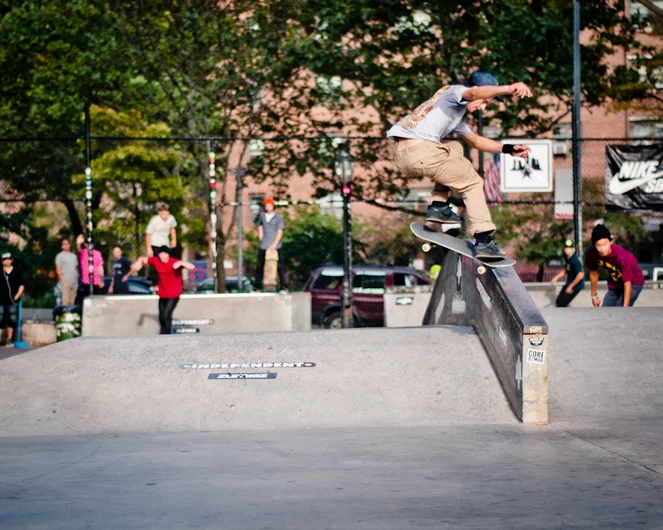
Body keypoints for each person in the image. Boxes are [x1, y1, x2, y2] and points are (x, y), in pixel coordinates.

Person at [387, 71, 533, 258]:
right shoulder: (456, 91)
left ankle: (439, 206)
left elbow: (476, 141)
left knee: (455, 147)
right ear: (477, 89)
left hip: (404, 155)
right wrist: (507, 89)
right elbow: (472, 94)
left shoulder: (449, 109)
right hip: (423, 149)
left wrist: (509, 149)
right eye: (485, 102)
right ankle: (484, 241)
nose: (483, 108)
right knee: (473, 183)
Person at [128, 246, 194, 334]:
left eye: (165, 254)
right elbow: (142, 258)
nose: (163, 257)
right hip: (162, 293)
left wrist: (181, 263)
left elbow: (192, 267)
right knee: (161, 317)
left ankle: (167, 335)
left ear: (168, 255)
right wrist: (138, 263)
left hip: (174, 294)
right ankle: (163, 335)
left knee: (167, 315)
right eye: (161, 254)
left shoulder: (174, 262)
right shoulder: (156, 261)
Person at [585, 224, 645, 307]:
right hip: (616, 283)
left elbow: (628, 283)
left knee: (619, 310)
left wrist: (624, 309)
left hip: (634, 283)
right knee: (606, 310)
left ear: (610, 242)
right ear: (594, 245)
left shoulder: (620, 256)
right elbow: (594, 273)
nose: (602, 249)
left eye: (605, 244)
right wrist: (594, 296)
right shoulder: (591, 253)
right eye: (598, 245)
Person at [255, 197, 287, 291]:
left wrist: (275, 244)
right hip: (264, 244)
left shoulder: (278, 217)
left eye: (270, 205)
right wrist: (261, 238)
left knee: (280, 266)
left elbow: (280, 231)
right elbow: (260, 227)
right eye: (266, 206)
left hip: (276, 245)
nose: (268, 207)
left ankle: (283, 286)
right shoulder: (262, 216)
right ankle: (257, 286)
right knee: (260, 266)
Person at [550, 239, 585, 307]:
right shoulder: (568, 258)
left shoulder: (574, 260)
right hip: (569, 283)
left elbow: (580, 275)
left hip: (576, 286)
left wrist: (570, 287)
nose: (567, 249)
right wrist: (556, 278)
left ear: (573, 249)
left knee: (561, 304)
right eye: (566, 247)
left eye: (569, 248)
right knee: (558, 301)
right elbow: (566, 270)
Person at [0, 252, 24, 346]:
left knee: (12, 319)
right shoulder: (0, 272)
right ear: (2, 261)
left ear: (12, 260)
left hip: (13, 300)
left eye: (9, 259)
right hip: (1, 299)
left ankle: (9, 340)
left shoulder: (17, 272)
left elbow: (22, 285)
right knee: (0, 318)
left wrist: (17, 295)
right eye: (5, 259)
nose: (7, 261)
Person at [55, 238, 79, 306]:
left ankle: (71, 316)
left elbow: (76, 268)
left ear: (69, 245)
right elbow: (58, 270)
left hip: (74, 282)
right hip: (66, 281)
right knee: (65, 303)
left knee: (72, 303)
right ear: (62, 246)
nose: (66, 246)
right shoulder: (60, 256)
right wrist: (63, 281)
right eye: (64, 244)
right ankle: (65, 316)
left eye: (67, 244)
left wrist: (76, 280)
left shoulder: (73, 256)